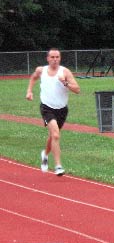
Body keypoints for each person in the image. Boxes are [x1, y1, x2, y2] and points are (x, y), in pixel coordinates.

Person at [25, 48, 81, 176]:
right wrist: (29, 91)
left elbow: (77, 90)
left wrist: (64, 82)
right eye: (52, 57)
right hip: (47, 107)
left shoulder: (65, 72)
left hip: (62, 109)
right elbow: (33, 78)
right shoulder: (41, 70)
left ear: (60, 58)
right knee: (55, 135)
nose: (55, 59)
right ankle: (58, 166)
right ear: (48, 58)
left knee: (53, 136)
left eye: (57, 57)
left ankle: (45, 154)